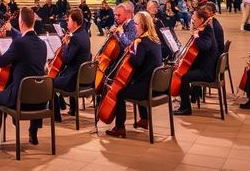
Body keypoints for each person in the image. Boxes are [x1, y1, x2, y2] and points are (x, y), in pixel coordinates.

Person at [0, 6, 47, 150]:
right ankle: (33, 133)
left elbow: (1, 62)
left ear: (21, 23)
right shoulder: (42, 45)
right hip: (41, 100)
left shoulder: (19, 43)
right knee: (28, 85)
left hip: (21, 100)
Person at [104, 10, 163, 138]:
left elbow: (136, 63)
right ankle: (144, 119)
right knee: (133, 83)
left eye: (136, 24)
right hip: (158, 86)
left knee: (120, 94)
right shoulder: (155, 39)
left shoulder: (141, 42)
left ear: (143, 25)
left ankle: (119, 128)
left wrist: (132, 50)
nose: (134, 27)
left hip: (147, 87)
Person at [173, 8, 218, 116]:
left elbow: (205, 46)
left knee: (184, 78)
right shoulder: (204, 29)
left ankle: (186, 108)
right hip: (204, 66)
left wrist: (196, 36)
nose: (192, 20)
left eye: (194, 18)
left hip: (207, 71)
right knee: (184, 71)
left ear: (201, 19)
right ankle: (191, 95)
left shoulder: (207, 30)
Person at [52, 8, 91, 122]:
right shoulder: (83, 33)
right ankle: (73, 108)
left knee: (50, 82)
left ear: (74, 22)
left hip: (73, 80)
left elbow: (66, 59)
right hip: (83, 78)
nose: (66, 22)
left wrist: (65, 45)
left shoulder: (75, 38)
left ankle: (56, 116)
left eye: (68, 20)